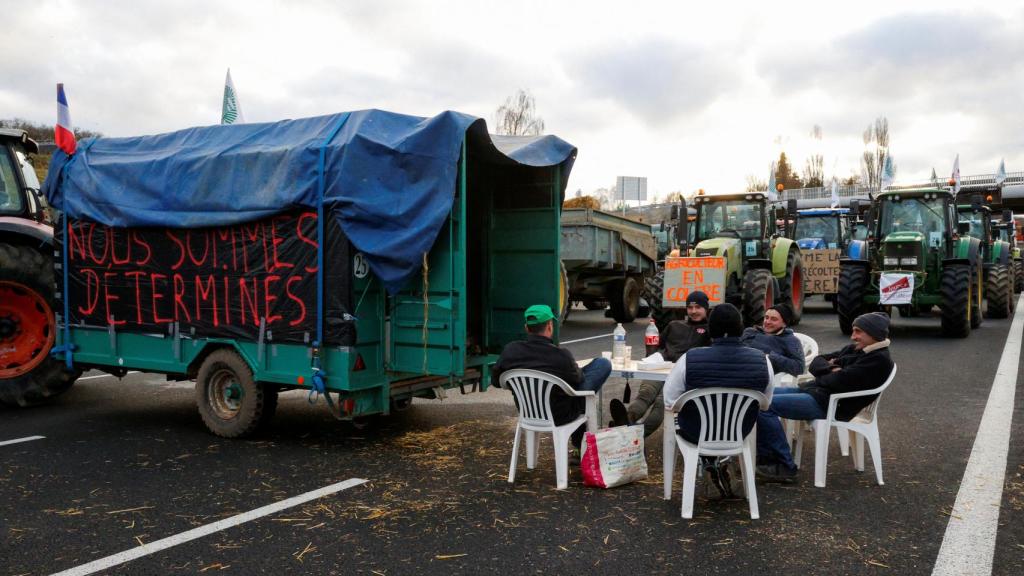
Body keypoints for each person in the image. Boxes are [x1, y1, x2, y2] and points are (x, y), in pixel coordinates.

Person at [755, 311, 894, 482]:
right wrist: (831, 369)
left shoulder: (879, 360)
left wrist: (829, 372)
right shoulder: (856, 349)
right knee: (759, 395)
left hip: (829, 405)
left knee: (763, 405)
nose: (853, 336)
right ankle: (764, 459)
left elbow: (837, 381)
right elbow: (817, 361)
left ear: (874, 333)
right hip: (815, 392)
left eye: (858, 331)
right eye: (853, 331)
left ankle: (783, 466)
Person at [662, 303, 774, 497]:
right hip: (740, 431)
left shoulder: (690, 358)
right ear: (741, 328)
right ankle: (721, 464)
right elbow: (766, 403)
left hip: (696, 431)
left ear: (711, 329)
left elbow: (669, 400)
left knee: (686, 418)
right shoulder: (762, 360)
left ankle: (710, 464)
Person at [491, 304, 611, 457]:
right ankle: (580, 445)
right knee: (602, 364)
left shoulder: (510, 350)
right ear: (549, 326)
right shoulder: (561, 355)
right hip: (561, 415)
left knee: (578, 384)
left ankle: (578, 445)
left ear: (527, 328)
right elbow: (578, 380)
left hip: (528, 413)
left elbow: (496, 381)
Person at [608, 291, 712, 436]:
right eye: (690, 307)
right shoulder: (674, 325)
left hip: (682, 375)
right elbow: (656, 346)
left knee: (661, 404)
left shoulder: (710, 331)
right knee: (645, 395)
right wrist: (651, 360)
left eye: (698, 307)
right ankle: (628, 420)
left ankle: (635, 436)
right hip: (660, 368)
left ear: (706, 308)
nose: (693, 311)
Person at [740, 303, 805, 377]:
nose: (767, 322)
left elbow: (799, 368)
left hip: (762, 377)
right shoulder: (750, 332)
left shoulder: (790, 340)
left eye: (774, 319)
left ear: (784, 324)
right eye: (766, 317)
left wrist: (770, 355)